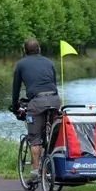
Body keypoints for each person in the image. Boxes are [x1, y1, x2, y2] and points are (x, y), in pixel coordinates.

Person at [11, 37, 61, 181]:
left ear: (24, 51)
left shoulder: (21, 64)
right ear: (39, 49)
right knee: (51, 137)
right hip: (54, 101)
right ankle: (50, 165)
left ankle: (34, 173)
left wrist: (15, 107)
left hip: (37, 103)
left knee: (35, 139)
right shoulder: (49, 62)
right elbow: (54, 85)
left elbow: (16, 88)